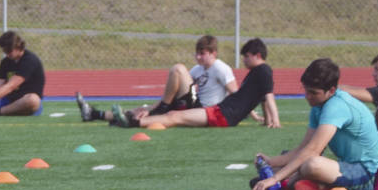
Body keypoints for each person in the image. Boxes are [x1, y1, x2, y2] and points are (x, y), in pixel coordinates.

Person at [251, 58, 378, 190]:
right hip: (351, 168)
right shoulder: (319, 105)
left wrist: (274, 178)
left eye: (313, 93)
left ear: (332, 90)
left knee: (311, 165)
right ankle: (299, 183)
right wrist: (272, 162)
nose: (307, 96)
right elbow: (304, 147)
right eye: (306, 91)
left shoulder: (337, 105)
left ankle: (294, 183)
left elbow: (313, 150)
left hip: (371, 175)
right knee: (288, 164)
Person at [92, 37, 277, 132]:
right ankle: (113, 117)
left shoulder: (258, 70)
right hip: (221, 111)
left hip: (221, 113)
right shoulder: (257, 73)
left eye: (246, 56)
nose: (243, 60)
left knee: (174, 116)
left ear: (257, 56)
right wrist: (266, 121)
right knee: (166, 112)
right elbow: (259, 97)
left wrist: (274, 121)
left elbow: (267, 97)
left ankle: (134, 121)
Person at [122, 35, 237, 127]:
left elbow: (237, 94)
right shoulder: (198, 69)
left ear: (213, 53)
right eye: (197, 53)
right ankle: (115, 115)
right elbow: (183, 86)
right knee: (150, 107)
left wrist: (247, 112)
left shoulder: (221, 68)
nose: (197, 57)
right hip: (195, 105)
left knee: (178, 69)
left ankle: (160, 109)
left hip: (207, 111)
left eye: (202, 54)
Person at [0, 30, 44, 118]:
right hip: (8, 100)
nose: (6, 53)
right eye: (4, 50)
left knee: (33, 100)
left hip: (25, 102)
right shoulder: (5, 62)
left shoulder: (29, 60)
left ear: (18, 46)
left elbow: (11, 86)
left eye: (9, 50)